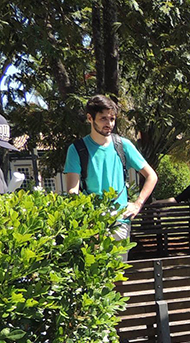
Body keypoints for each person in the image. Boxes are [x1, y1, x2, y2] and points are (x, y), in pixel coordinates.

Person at [63, 95, 158, 258]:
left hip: (120, 223)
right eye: (103, 119)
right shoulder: (77, 149)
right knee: (95, 278)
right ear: (89, 118)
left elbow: (151, 176)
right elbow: (73, 191)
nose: (109, 124)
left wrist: (138, 203)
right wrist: (89, 221)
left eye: (112, 119)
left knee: (118, 275)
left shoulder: (123, 145)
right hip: (91, 225)